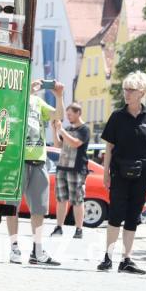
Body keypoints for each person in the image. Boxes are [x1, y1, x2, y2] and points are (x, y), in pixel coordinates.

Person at [97, 71, 146, 274]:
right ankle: (108, 257)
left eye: (131, 90)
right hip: (119, 174)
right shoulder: (117, 117)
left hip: (142, 176)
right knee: (115, 215)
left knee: (133, 217)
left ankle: (126, 260)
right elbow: (109, 147)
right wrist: (105, 173)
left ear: (142, 92)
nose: (126, 93)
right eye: (125, 89)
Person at [6, 78, 63, 266]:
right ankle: (14, 248)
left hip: (39, 159)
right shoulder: (15, 98)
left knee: (39, 209)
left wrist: (59, 95)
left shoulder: (39, 103)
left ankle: (37, 250)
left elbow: (57, 115)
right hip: (17, 160)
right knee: (12, 206)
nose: (37, 85)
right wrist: (27, 92)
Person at [50, 102, 89, 239]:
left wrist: (62, 131)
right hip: (62, 167)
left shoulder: (84, 129)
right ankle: (59, 227)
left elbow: (75, 143)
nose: (68, 117)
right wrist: (55, 130)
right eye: (67, 114)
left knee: (77, 200)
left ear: (78, 113)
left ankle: (79, 229)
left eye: (70, 114)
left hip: (76, 169)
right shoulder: (67, 128)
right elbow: (58, 145)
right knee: (61, 199)